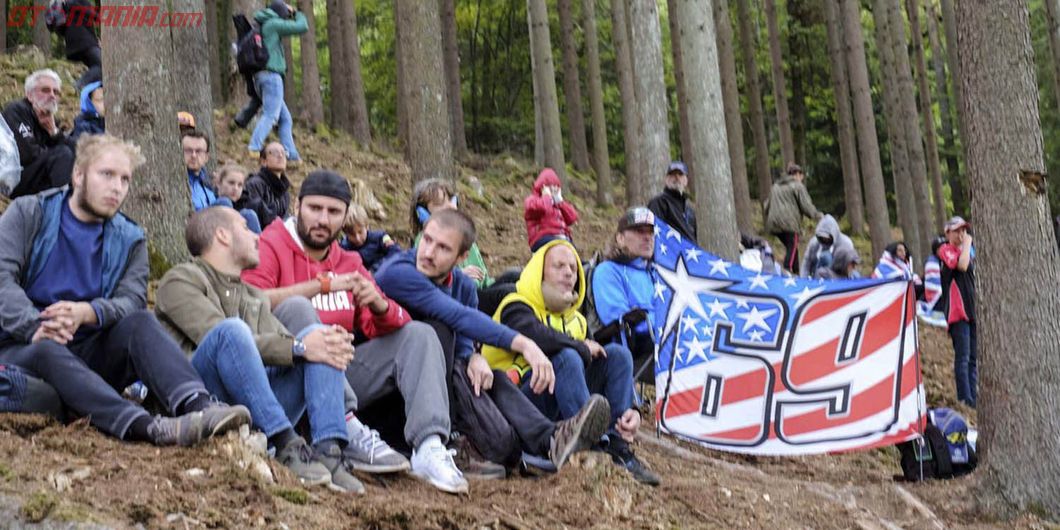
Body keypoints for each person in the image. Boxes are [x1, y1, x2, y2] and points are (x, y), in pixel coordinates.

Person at [0, 134, 250, 446]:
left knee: (141, 324)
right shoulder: (30, 213)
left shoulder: (131, 237)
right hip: (23, 345)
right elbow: (2, 279)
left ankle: (198, 406)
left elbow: (132, 301)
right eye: (106, 175)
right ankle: (146, 427)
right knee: (47, 351)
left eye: (125, 179)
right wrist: (35, 325)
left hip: (89, 350)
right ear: (78, 175)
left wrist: (89, 312)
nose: (117, 187)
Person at [242, 170, 467, 494]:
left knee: (420, 334)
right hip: (283, 380)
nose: (323, 219)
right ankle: (342, 424)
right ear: (297, 205)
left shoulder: (348, 260)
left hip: (342, 376)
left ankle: (429, 447)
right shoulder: (270, 244)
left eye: (333, 212)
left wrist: (379, 304)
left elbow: (384, 325)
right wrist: (320, 286)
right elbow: (250, 304)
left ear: (346, 216)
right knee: (301, 310)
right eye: (315, 208)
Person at [156, 207, 379, 493]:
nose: (257, 237)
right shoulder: (181, 280)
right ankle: (285, 442)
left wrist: (314, 345)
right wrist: (299, 347)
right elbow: (218, 336)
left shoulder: (251, 296)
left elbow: (288, 346)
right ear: (222, 235)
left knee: (320, 338)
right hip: (203, 403)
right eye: (246, 228)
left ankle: (328, 449)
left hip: (254, 404)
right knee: (234, 331)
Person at [375, 209, 610, 476]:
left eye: (442, 247)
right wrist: (525, 344)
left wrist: (475, 357)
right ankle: (449, 441)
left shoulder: (463, 287)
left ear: (462, 257)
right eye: (426, 240)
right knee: (436, 331)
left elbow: (463, 342)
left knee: (490, 378)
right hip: (383, 394)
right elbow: (456, 315)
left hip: (434, 395)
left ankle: (551, 441)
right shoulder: (397, 272)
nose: (428, 252)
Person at [482, 240, 660, 485]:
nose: (568, 272)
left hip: (559, 400)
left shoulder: (577, 321)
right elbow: (536, 334)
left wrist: (633, 410)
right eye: (559, 266)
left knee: (617, 356)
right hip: (516, 407)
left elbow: (594, 360)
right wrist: (579, 345)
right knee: (567, 357)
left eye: (573, 268)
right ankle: (587, 446)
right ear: (539, 271)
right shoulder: (515, 303)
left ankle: (618, 447)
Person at [591, 208, 659, 382]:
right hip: (635, 346)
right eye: (639, 231)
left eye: (651, 232)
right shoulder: (607, 271)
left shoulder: (655, 272)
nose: (647, 237)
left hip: (667, 340)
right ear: (620, 239)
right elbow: (616, 319)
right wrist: (663, 320)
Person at [247, 1, 306, 162]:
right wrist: (297, 13)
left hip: (260, 77)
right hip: (271, 77)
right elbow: (302, 27)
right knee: (271, 115)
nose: (286, 19)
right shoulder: (273, 24)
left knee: (285, 119)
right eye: (285, 16)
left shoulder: (264, 23)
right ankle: (254, 146)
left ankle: (291, 155)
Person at [2, 69, 77, 198]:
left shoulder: (51, 120)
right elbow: (27, 154)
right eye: (45, 90)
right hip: (12, 179)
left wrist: (54, 132)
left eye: (56, 92)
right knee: (62, 155)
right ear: (29, 95)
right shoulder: (17, 110)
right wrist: (52, 151)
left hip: (38, 178)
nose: (52, 95)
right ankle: (62, 207)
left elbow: (78, 151)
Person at [411, 178, 493, 289]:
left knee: (513, 276)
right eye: (440, 204)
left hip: (479, 290)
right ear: (423, 213)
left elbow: (484, 278)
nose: (451, 206)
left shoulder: (463, 234)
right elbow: (426, 278)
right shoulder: (424, 240)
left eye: (451, 200)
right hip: (457, 295)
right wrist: (459, 275)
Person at [937, 217, 977, 408]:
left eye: (963, 231)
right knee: (963, 357)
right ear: (947, 233)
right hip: (956, 313)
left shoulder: (966, 253)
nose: (961, 235)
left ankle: (973, 399)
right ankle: (964, 399)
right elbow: (960, 266)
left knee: (973, 359)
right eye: (956, 231)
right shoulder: (945, 250)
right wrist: (967, 244)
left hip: (972, 312)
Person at [765, 163, 822, 273]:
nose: (802, 178)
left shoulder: (775, 186)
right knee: (792, 246)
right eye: (801, 175)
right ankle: (787, 271)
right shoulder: (797, 186)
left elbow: (766, 205)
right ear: (797, 174)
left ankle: (796, 272)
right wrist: (818, 216)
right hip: (789, 224)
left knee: (793, 248)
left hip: (773, 224)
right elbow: (806, 206)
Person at [524, 168, 578, 252]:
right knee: (562, 247)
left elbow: (572, 218)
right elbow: (542, 208)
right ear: (543, 187)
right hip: (542, 238)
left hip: (562, 238)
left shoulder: (557, 204)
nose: (554, 190)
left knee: (572, 250)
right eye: (550, 187)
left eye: (556, 187)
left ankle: (585, 264)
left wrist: (561, 203)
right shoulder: (532, 200)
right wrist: (547, 196)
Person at [243, 142, 293, 228]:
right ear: (264, 161)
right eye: (274, 152)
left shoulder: (285, 192)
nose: (280, 156)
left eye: (283, 153)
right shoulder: (255, 184)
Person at [339, 203, 402, 272]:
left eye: (360, 232)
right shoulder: (343, 248)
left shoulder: (381, 237)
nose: (358, 238)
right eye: (352, 234)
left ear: (367, 226)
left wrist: (376, 268)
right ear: (345, 233)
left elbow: (396, 251)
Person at [647, 161, 696, 242]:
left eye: (680, 174)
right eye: (673, 174)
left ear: (686, 180)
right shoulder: (659, 203)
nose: (676, 177)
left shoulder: (689, 210)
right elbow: (653, 232)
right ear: (666, 179)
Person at [800, 214, 854, 278]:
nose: (824, 239)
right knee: (822, 265)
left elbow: (850, 266)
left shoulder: (845, 243)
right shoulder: (814, 242)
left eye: (827, 237)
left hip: (839, 276)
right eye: (822, 237)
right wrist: (804, 279)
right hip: (818, 275)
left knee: (826, 257)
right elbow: (806, 263)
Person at [181, 130, 218, 212]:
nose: (193, 155)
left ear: (206, 157)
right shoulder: (173, 184)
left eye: (198, 151)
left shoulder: (211, 184)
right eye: (188, 150)